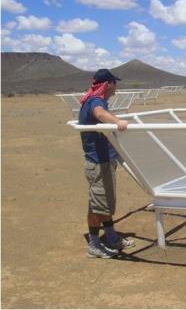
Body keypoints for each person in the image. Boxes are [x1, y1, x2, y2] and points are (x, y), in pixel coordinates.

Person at [79, 68, 135, 259]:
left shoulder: (94, 99)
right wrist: (118, 121)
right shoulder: (96, 101)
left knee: (103, 202)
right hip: (98, 162)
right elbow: (100, 113)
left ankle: (111, 238)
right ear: (108, 84)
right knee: (97, 205)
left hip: (103, 161)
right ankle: (94, 246)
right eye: (114, 83)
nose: (116, 86)